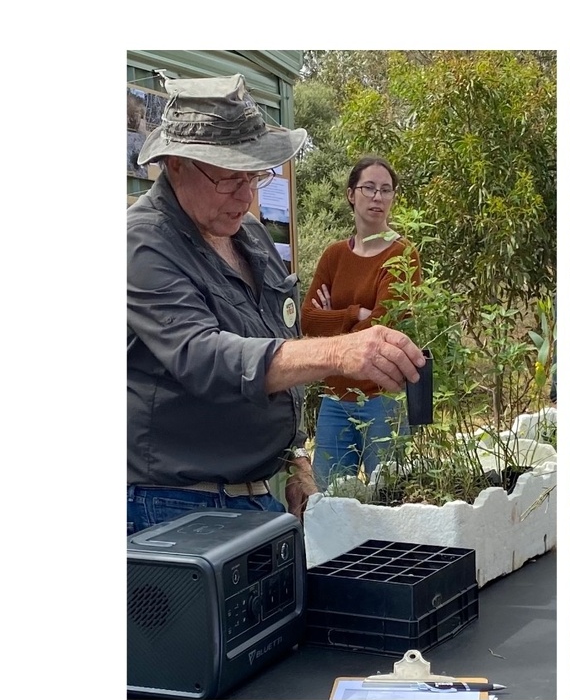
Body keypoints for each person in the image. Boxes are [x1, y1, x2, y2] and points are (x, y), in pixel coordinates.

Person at [127, 74, 426, 535]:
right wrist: (338, 350)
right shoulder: (142, 243)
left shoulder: (248, 235)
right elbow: (204, 356)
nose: (246, 197)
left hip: (256, 497)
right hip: (174, 509)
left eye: (253, 177)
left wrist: (298, 459)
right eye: (229, 179)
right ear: (176, 164)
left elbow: (279, 337)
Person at [303, 156, 422, 486]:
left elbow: (386, 329)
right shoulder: (334, 256)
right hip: (335, 399)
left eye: (386, 190)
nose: (378, 197)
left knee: (390, 499)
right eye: (369, 188)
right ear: (351, 195)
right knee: (327, 503)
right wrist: (355, 314)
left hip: (383, 399)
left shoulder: (402, 254)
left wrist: (334, 321)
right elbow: (308, 321)